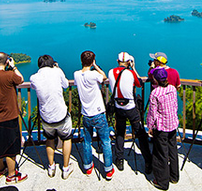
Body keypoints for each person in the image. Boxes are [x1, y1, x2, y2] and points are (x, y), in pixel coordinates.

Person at [29, 54, 74, 179]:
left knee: (49, 139)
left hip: (46, 117)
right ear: (52, 63)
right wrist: (58, 69)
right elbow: (65, 84)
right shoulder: (57, 72)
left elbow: (34, 87)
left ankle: (51, 166)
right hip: (61, 115)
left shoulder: (34, 77)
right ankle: (65, 168)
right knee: (66, 139)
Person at [108, 52, 152, 173]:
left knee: (120, 132)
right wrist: (133, 68)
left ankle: (119, 159)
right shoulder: (131, 73)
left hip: (118, 107)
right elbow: (139, 83)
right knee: (140, 134)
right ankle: (148, 161)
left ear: (117, 61)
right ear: (128, 62)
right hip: (131, 108)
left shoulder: (111, 72)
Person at [0, 52, 27, 184]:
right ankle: (11, 175)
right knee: (10, 148)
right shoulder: (10, 75)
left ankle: (0, 169)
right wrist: (14, 67)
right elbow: (20, 79)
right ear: (6, 62)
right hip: (9, 116)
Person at [74, 50, 114, 180]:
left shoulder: (76, 74)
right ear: (92, 61)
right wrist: (95, 66)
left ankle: (87, 166)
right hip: (98, 113)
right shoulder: (94, 75)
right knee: (105, 141)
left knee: (87, 141)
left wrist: (90, 65)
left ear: (81, 61)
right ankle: (108, 170)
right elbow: (104, 77)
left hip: (86, 114)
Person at [146, 67, 180, 190]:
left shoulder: (155, 93)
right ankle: (174, 176)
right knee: (172, 149)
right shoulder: (172, 89)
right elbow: (175, 105)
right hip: (172, 124)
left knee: (161, 154)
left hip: (161, 127)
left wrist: (150, 126)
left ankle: (162, 182)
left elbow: (152, 113)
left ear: (155, 79)